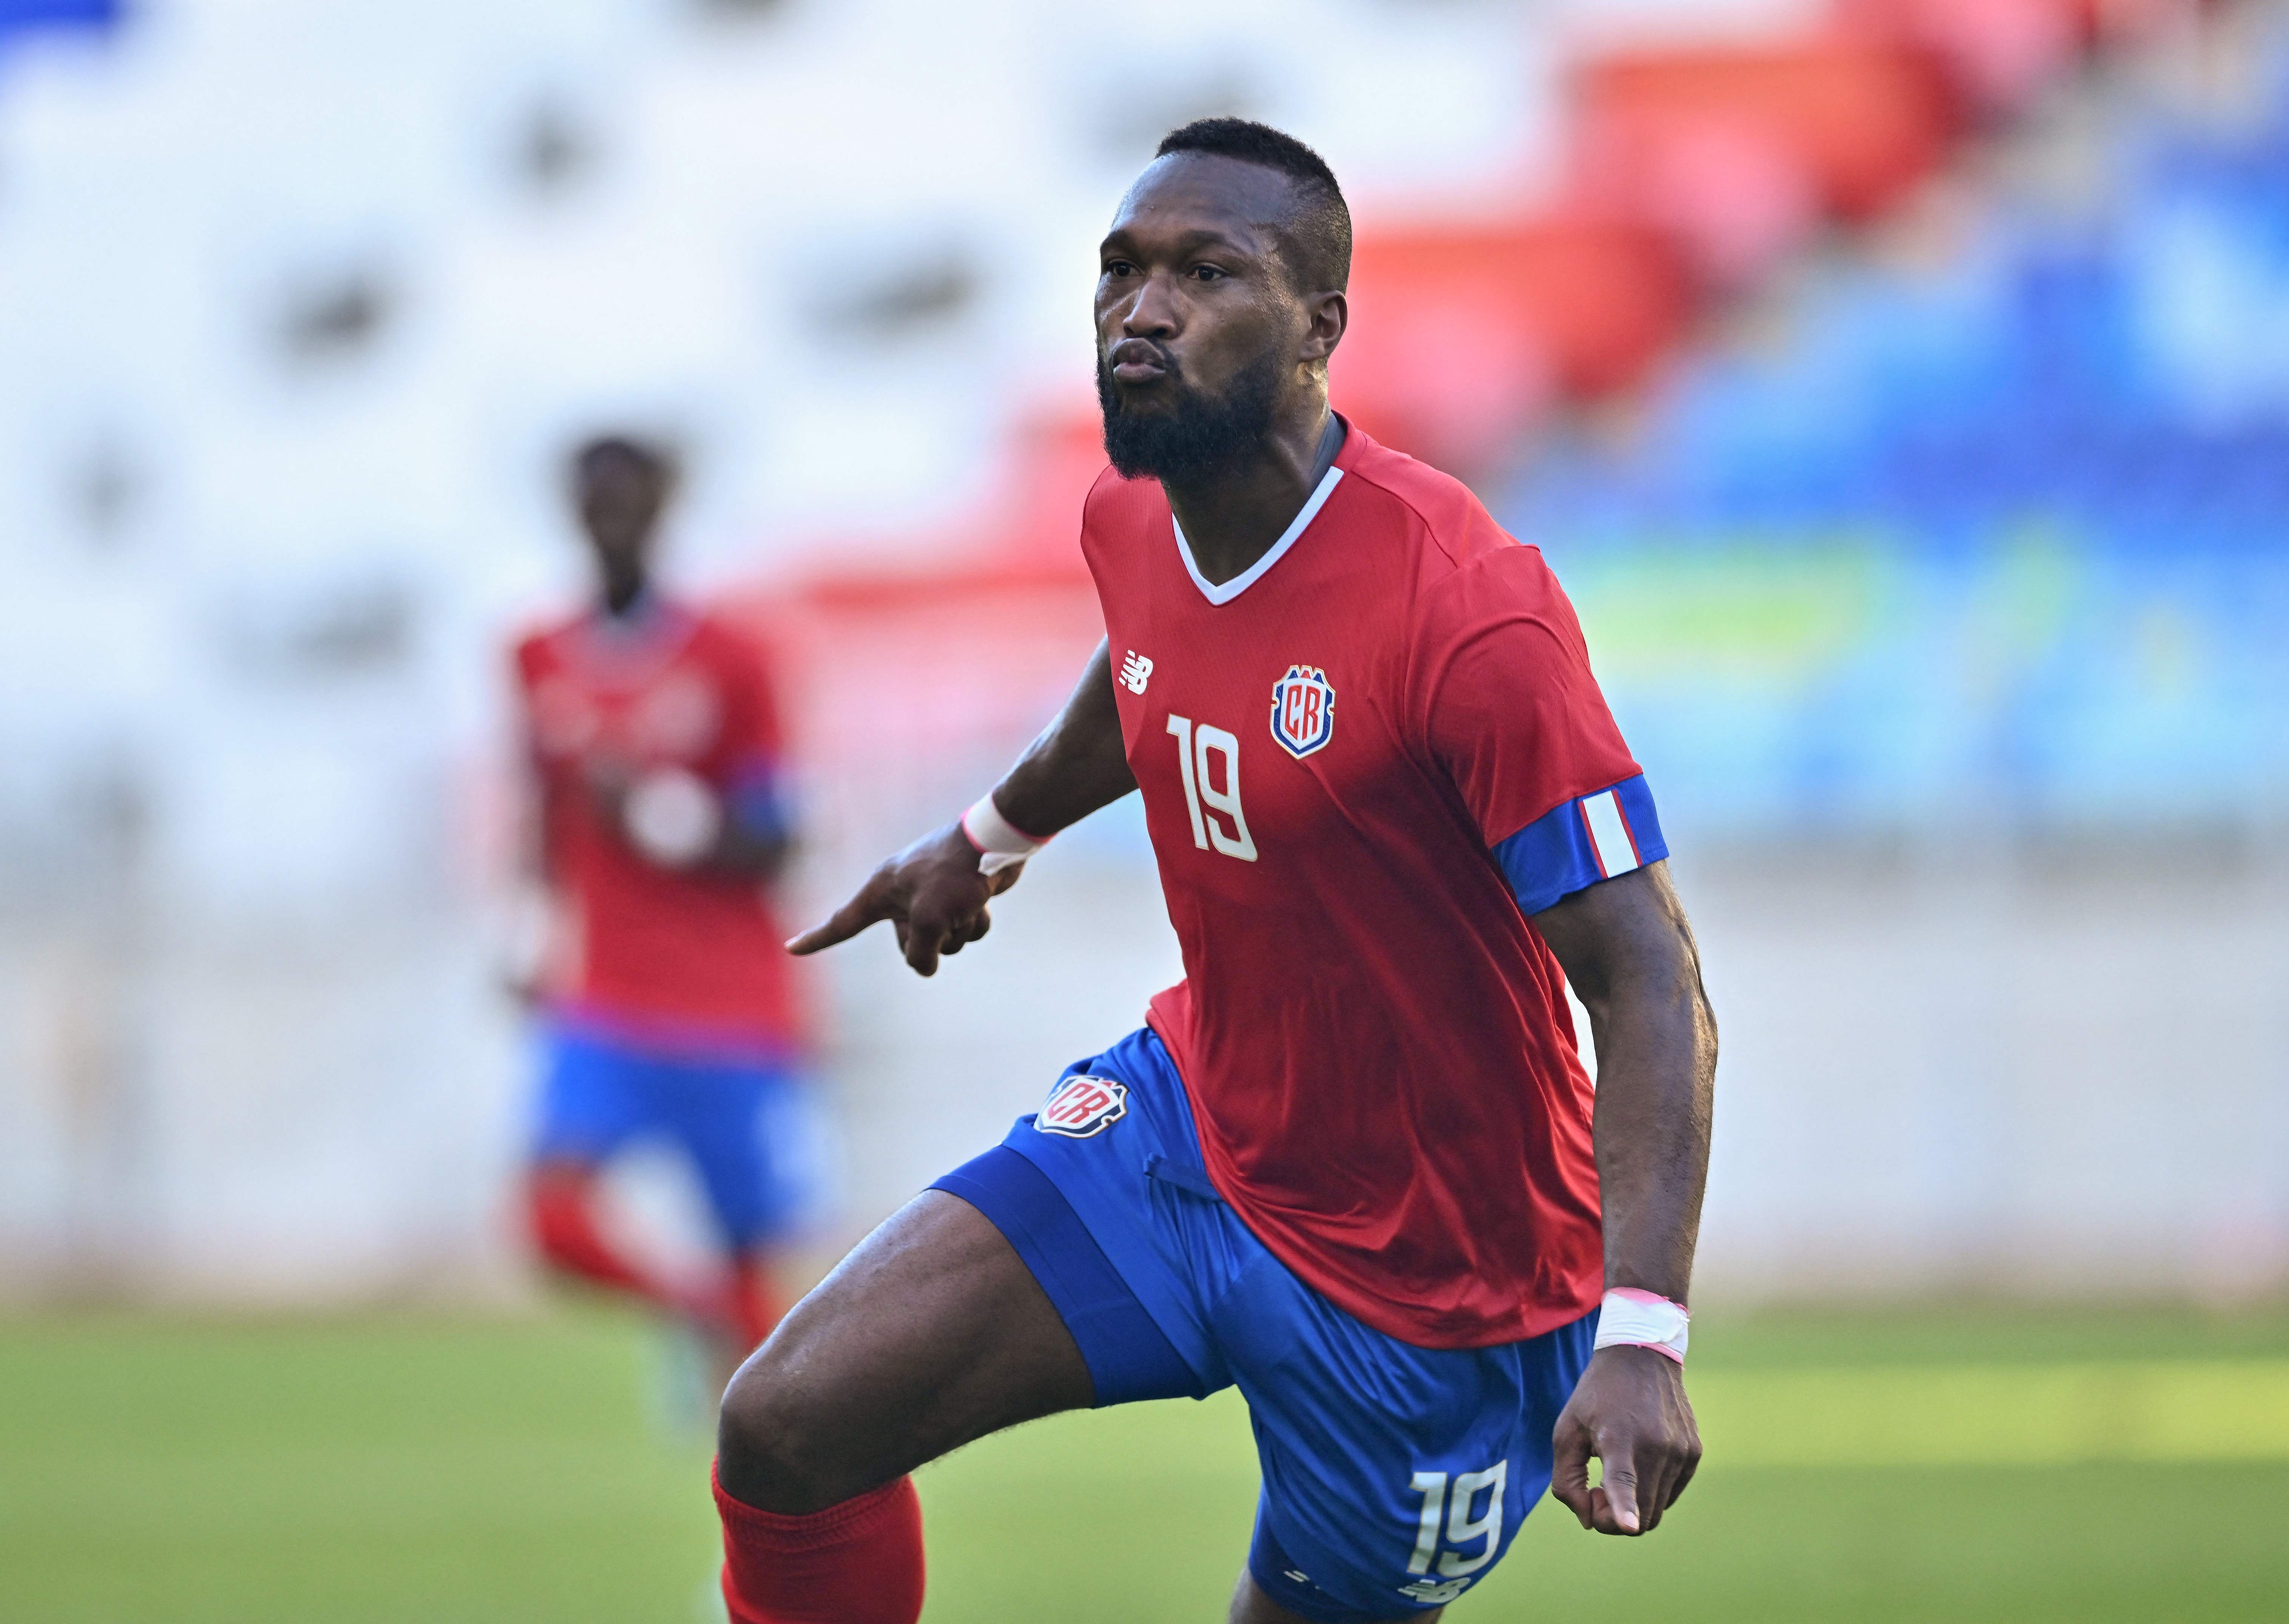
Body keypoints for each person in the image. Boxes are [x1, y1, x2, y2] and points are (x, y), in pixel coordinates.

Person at [713, 119, 1716, 1624]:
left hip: (1433, 1287)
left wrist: (1640, 1334)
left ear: (1318, 326)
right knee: (787, 1428)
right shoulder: (1129, 512)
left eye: (1202, 271)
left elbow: (1645, 982)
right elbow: (1144, 677)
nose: (1141, 307)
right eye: (1118, 270)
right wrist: (987, 838)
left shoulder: (1465, 613)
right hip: (1190, 1137)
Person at [508, 435, 812, 1380]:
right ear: (572, 510)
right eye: (595, 499)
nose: (613, 518)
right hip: (605, 995)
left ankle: (770, 1490)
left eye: (631, 498)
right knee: (554, 1221)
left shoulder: (730, 657)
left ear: (663, 508)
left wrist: (664, 819)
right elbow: (543, 817)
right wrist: (526, 932)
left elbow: (777, 835)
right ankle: (699, 1311)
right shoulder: (537, 658)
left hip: (730, 1009)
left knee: (750, 1260)